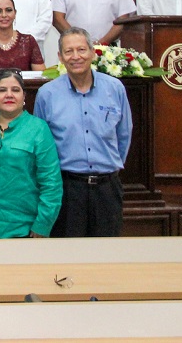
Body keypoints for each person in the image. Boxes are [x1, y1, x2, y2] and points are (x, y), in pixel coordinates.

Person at [34, 27, 132, 237]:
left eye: (81, 50)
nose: (76, 56)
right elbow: (41, 146)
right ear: (60, 57)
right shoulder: (47, 94)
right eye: (68, 51)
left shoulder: (115, 88)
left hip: (107, 188)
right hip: (67, 189)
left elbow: (124, 135)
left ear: (92, 52)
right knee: (69, 252)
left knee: (107, 252)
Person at [0, 69, 62, 239]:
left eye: (15, 90)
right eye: (2, 90)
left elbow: (51, 183)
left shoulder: (39, 128)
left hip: (24, 228)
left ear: (24, 96)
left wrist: (43, 225)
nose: (9, 95)